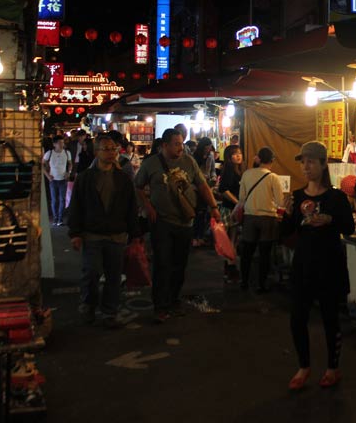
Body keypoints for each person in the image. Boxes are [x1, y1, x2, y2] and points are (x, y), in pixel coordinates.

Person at [280, 141, 354, 391]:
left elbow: (349, 228)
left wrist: (331, 219)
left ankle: (333, 368)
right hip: (303, 264)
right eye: (303, 161)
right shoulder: (297, 197)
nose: (305, 166)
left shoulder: (336, 197)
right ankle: (304, 366)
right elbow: (285, 233)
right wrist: (287, 215)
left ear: (323, 164)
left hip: (329, 264)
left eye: (311, 161)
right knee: (297, 318)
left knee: (330, 318)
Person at [134, 128, 222, 323]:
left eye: (181, 143)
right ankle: (160, 306)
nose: (180, 147)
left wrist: (213, 207)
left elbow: (202, 185)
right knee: (162, 264)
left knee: (179, 264)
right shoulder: (151, 163)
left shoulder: (189, 162)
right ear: (164, 145)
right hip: (162, 222)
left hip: (185, 221)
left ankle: (174, 300)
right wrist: (147, 206)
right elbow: (137, 186)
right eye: (176, 143)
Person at [67, 134, 139, 328]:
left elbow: (132, 207)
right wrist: (75, 233)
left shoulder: (123, 178)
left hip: (117, 235)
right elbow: (76, 207)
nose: (111, 153)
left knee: (114, 276)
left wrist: (134, 234)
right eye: (106, 149)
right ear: (96, 152)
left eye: (114, 149)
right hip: (92, 234)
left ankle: (109, 311)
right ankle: (88, 305)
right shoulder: (85, 178)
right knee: (91, 271)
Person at [238, 147, 283, 293]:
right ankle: (261, 285)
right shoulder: (273, 177)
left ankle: (244, 282)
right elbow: (280, 201)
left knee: (247, 252)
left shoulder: (247, 174)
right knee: (265, 253)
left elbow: (241, 198)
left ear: (258, 159)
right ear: (272, 160)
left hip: (250, 217)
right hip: (267, 218)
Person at [217, 144, 245, 283]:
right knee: (231, 241)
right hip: (229, 210)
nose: (238, 156)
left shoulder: (237, 170)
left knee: (232, 240)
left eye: (239, 153)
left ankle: (229, 270)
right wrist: (238, 203)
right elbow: (223, 189)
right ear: (229, 157)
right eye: (234, 154)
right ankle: (231, 270)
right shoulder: (229, 170)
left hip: (232, 209)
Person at [192, 137, 218, 247]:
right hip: (196, 188)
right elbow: (192, 173)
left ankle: (200, 237)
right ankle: (194, 237)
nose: (208, 150)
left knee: (203, 213)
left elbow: (212, 171)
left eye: (209, 148)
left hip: (207, 186)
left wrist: (213, 177)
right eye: (206, 148)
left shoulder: (210, 157)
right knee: (196, 212)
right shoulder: (194, 157)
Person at [43, 135, 72, 226]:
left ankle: (60, 218)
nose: (61, 144)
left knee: (62, 199)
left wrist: (69, 172)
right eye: (59, 143)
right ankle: (55, 218)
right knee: (54, 200)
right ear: (54, 144)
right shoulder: (49, 153)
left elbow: (70, 163)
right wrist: (47, 176)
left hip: (63, 179)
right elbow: (42, 164)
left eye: (62, 142)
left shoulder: (67, 153)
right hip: (53, 179)